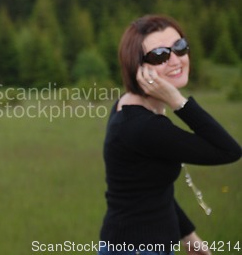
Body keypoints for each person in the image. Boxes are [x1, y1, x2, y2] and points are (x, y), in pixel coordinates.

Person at [98, 15, 241, 255]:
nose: (176, 59)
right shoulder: (144, 127)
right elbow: (229, 150)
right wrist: (178, 101)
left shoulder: (129, 106)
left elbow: (151, 191)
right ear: (137, 66)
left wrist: (188, 236)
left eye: (180, 47)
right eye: (160, 55)